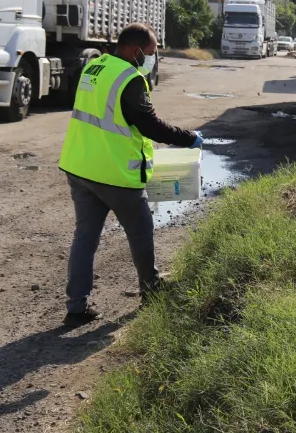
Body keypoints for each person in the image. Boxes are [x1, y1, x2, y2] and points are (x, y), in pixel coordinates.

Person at [58, 23, 203, 326]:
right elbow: (150, 125)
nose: (151, 60)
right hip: (114, 173)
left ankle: (76, 306)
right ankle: (151, 289)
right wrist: (189, 138)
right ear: (136, 51)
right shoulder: (130, 79)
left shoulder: (94, 68)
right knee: (140, 231)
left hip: (80, 167)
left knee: (85, 237)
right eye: (150, 54)